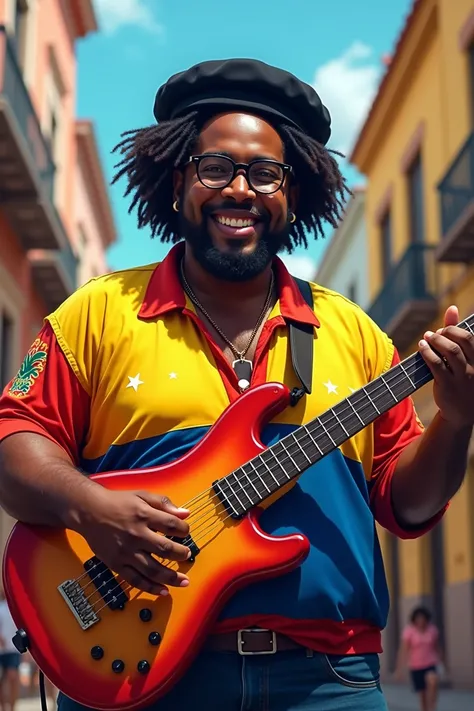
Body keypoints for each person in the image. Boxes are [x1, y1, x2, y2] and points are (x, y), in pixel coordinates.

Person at [0, 58, 473, 711]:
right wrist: (92, 509)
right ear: (176, 183)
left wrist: (454, 418)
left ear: (295, 193)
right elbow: (14, 446)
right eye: (215, 167)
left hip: (329, 682)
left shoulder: (357, 334)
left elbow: (407, 506)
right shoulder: (96, 312)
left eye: (266, 173)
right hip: (135, 679)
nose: (241, 189)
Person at [395, 607, 444, 711]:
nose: (421, 621)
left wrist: (442, 662)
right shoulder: (409, 631)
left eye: (423, 619)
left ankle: (433, 706)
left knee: (432, 682)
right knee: (422, 695)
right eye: (418, 619)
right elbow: (404, 651)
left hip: (431, 663)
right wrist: (399, 669)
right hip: (416, 666)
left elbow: (437, 647)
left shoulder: (432, 630)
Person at [0, 589, 20, 711]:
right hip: (2, 650)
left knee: (12, 677)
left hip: (13, 649)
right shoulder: (1, 608)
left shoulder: (15, 608)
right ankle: (3, 707)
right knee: (2, 681)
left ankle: (12, 708)